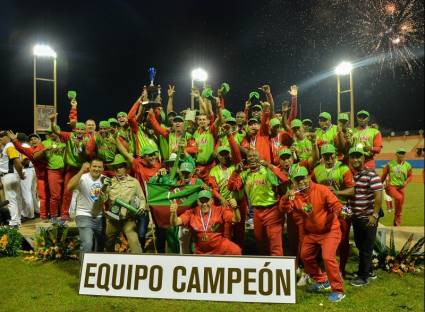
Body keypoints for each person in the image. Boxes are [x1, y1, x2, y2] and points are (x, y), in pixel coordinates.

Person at [280, 166, 345, 302]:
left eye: (303, 178)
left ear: (309, 177)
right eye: (298, 180)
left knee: (328, 257)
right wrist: (286, 197)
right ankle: (322, 281)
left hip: (329, 231)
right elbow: (284, 209)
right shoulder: (295, 195)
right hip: (312, 233)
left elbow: (335, 204)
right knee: (305, 255)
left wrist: (341, 211)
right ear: (294, 182)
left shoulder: (321, 189)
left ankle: (338, 290)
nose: (301, 182)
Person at [228, 149, 283, 256]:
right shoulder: (245, 174)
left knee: (275, 243)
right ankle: (266, 267)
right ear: (247, 159)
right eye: (249, 156)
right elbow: (231, 187)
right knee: (260, 240)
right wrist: (236, 172)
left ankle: (277, 268)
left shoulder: (267, 170)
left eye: (254, 155)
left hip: (272, 210)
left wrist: (270, 166)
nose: (252, 158)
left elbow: (283, 180)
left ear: (260, 158)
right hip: (257, 211)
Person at [311, 144, 355, 276]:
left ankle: (340, 269)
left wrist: (337, 192)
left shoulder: (343, 168)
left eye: (331, 155)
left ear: (335, 155)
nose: (329, 158)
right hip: (323, 210)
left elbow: (352, 190)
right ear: (322, 157)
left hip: (343, 207)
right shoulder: (317, 170)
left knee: (343, 239)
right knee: (322, 239)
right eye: (326, 155)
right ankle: (323, 268)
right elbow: (311, 186)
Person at [348, 147, 383, 286]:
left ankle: (363, 277)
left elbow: (378, 195)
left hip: (368, 217)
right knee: (360, 245)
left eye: (358, 157)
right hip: (357, 217)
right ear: (349, 159)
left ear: (363, 158)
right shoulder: (354, 175)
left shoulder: (371, 175)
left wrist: (374, 215)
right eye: (353, 157)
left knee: (366, 248)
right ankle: (369, 271)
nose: (355, 159)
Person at [169, 190, 241, 255]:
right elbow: (175, 222)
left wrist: (235, 208)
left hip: (219, 248)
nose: (204, 204)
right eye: (202, 201)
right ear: (198, 201)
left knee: (235, 250)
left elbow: (236, 219)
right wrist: (173, 213)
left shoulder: (220, 210)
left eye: (207, 201)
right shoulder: (191, 213)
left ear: (212, 201)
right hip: (201, 251)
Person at [101, 154, 146, 254]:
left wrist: (142, 207)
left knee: (134, 241)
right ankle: (109, 262)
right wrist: (103, 188)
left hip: (128, 218)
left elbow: (142, 198)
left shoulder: (134, 182)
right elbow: (102, 199)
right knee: (108, 242)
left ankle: (139, 263)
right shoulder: (109, 183)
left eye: (120, 167)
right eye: (115, 167)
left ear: (125, 168)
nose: (118, 169)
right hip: (113, 219)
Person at [67, 160, 105, 255]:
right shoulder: (82, 177)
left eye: (99, 167)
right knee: (87, 243)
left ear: (103, 169)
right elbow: (69, 187)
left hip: (100, 216)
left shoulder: (105, 180)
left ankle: (96, 267)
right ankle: (84, 268)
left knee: (100, 246)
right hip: (84, 214)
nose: (96, 169)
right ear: (90, 167)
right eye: (94, 166)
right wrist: (81, 171)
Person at [9, 131, 48, 219]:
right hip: (37, 174)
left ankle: (30, 214)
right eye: (31, 139)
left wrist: (18, 164)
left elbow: (25, 160)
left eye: (35, 138)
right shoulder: (30, 149)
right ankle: (40, 213)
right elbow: (22, 150)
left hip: (38, 172)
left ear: (39, 140)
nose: (33, 140)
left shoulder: (43, 147)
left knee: (28, 193)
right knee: (37, 194)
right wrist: (15, 140)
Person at [36, 127, 66, 221]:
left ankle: (63, 215)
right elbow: (35, 156)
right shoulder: (45, 143)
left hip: (65, 171)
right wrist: (44, 150)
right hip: (53, 171)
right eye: (49, 133)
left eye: (53, 132)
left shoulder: (64, 142)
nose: (52, 134)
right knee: (55, 196)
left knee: (64, 195)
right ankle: (53, 216)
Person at [381, 148, 412, 226]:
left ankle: (396, 221)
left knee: (400, 204)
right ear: (396, 154)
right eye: (400, 153)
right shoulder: (390, 164)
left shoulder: (408, 165)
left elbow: (410, 176)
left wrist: (406, 182)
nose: (402, 155)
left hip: (401, 188)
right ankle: (396, 218)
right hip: (391, 187)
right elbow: (384, 175)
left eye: (403, 153)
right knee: (399, 198)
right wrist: (379, 184)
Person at [0, 131, 25, 226]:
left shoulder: (9, 146)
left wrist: (21, 174)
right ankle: (17, 220)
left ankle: (14, 222)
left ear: (8, 137)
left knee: (11, 200)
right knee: (16, 199)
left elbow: (17, 162)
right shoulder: (7, 147)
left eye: (2, 136)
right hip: (10, 175)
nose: (0, 138)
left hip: (9, 176)